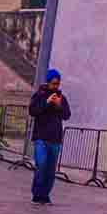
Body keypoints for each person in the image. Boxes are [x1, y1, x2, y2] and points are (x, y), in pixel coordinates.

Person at [28, 68, 71, 205]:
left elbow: (67, 115)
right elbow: (33, 111)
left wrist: (59, 105)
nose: (55, 86)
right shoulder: (39, 95)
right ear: (47, 83)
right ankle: (37, 194)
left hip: (55, 139)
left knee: (51, 170)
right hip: (41, 137)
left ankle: (45, 195)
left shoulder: (61, 98)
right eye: (53, 83)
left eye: (57, 84)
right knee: (41, 165)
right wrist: (46, 103)